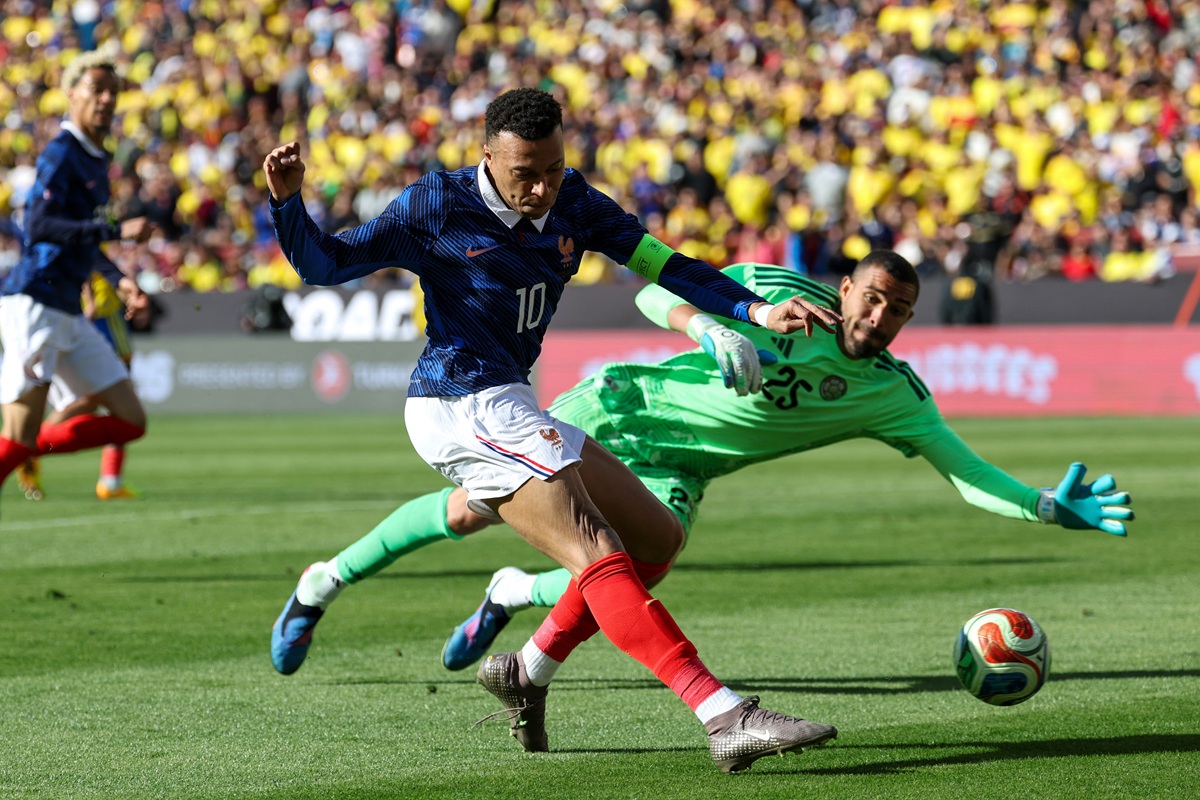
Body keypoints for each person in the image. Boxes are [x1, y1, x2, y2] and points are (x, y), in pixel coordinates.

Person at [264, 87, 845, 774]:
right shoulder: (437, 204)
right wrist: (288, 203)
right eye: (525, 174)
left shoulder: (575, 201)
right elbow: (326, 265)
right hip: (458, 400)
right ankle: (724, 716)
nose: (541, 188)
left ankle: (528, 670)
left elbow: (664, 266)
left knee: (657, 539)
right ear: (487, 156)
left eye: (553, 168)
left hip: (511, 401)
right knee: (595, 548)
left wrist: (756, 310)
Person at [268, 252, 1134, 681]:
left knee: (644, 561)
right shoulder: (775, 291)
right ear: (846, 289)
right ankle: (321, 583)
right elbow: (653, 286)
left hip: (681, 468)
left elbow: (966, 472)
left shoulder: (895, 395)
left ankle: (511, 596)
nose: (880, 316)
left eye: (898, 309)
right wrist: (709, 324)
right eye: (872, 297)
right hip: (621, 410)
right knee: (469, 510)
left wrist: (1041, 507)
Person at [0, 50, 152, 509]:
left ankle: (28, 449)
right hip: (36, 302)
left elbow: (81, 239)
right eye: (96, 90)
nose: (106, 100)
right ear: (71, 94)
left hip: (67, 308)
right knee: (18, 435)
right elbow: (39, 226)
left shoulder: (96, 159)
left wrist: (118, 278)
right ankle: (24, 448)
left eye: (113, 92)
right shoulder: (62, 153)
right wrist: (115, 231)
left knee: (131, 419)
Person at [15, 272, 145, 501]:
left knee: (89, 402)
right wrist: (91, 301)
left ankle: (29, 447)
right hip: (97, 322)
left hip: (81, 319)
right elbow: (86, 265)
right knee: (116, 404)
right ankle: (29, 447)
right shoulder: (93, 250)